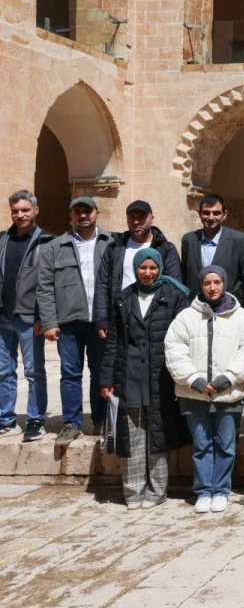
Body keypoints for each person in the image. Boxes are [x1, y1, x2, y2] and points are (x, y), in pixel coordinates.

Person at [98, 248, 191, 509]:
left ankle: (157, 490)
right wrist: (107, 377)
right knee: (132, 433)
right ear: (136, 268)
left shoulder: (174, 296)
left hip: (159, 375)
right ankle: (133, 491)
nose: (148, 273)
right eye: (143, 268)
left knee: (156, 433)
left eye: (152, 268)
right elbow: (115, 341)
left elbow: (183, 339)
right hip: (129, 375)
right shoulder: (124, 298)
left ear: (160, 268)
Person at [165, 266, 244, 514]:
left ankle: (222, 490)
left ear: (224, 283)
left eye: (217, 282)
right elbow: (174, 349)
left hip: (228, 393)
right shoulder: (186, 317)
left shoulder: (241, 317)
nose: (212, 287)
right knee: (202, 444)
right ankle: (204, 490)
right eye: (207, 283)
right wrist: (194, 379)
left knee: (226, 443)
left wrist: (229, 378)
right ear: (200, 285)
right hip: (195, 393)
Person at [37, 196, 115, 444]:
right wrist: (49, 322)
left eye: (87, 211)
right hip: (69, 322)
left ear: (97, 213)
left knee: (100, 373)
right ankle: (71, 422)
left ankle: (101, 420)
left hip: (100, 322)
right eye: (77, 211)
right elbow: (44, 287)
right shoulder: (55, 247)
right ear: (70, 216)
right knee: (70, 373)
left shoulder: (111, 243)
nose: (83, 215)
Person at [0, 190, 54, 442]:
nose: (19, 215)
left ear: (36, 210)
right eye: (15, 210)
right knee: (3, 371)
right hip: (3, 316)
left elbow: (50, 283)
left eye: (24, 210)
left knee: (34, 371)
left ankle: (35, 419)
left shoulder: (47, 242)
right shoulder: (3, 240)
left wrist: (44, 317)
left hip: (29, 318)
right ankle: (6, 419)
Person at [94, 200, 183, 340]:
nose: (136, 221)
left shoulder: (165, 248)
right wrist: (101, 318)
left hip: (156, 318)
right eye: (132, 217)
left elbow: (174, 285)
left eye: (141, 217)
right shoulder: (115, 248)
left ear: (151, 218)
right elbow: (102, 284)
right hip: (121, 317)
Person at [180, 194, 244, 305]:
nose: (211, 217)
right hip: (195, 307)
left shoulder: (240, 240)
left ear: (225, 215)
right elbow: (185, 277)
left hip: (227, 308)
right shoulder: (188, 240)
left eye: (216, 213)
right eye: (206, 212)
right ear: (199, 213)